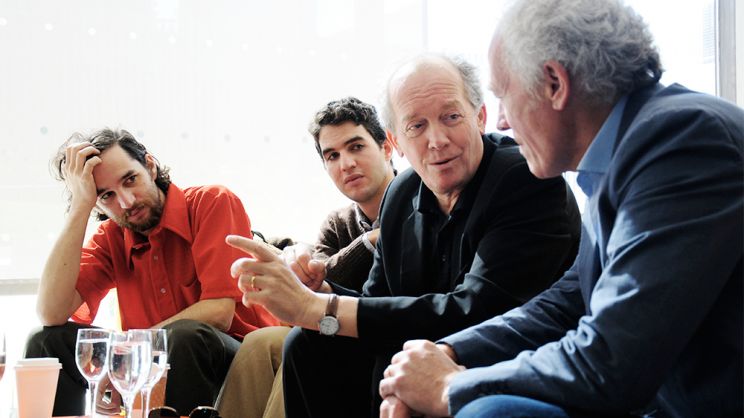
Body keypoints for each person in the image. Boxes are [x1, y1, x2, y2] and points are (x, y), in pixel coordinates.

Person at [377, 1, 744, 417]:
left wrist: (450, 387)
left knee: (490, 412)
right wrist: (449, 352)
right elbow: (569, 301)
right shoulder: (624, 155)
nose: (501, 122)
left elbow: (611, 361)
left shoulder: (683, 141)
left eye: (503, 95)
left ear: (554, 83)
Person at [227, 54, 582, 417]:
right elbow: (377, 302)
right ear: (396, 141)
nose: (437, 140)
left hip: (505, 367)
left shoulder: (524, 177)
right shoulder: (401, 194)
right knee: (308, 344)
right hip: (418, 361)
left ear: (480, 117)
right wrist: (319, 290)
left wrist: (319, 308)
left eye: (451, 117)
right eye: (416, 126)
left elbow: (478, 311)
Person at [24, 128, 279, 416]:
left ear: (150, 165)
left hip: (233, 361)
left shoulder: (211, 202)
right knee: (45, 342)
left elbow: (219, 312)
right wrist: (79, 207)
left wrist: (128, 351)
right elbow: (51, 313)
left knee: (183, 336)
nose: (127, 202)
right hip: (149, 362)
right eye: (106, 195)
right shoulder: (110, 237)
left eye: (130, 180)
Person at [215, 97, 397, 418]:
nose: (346, 164)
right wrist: (367, 242)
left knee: (301, 341)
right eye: (332, 156)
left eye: (356, 147)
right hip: (340, 331)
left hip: (392, 333)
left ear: (386, 147)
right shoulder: (337, 224)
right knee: (260, 343)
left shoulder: (418, 201)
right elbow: (317, 282)